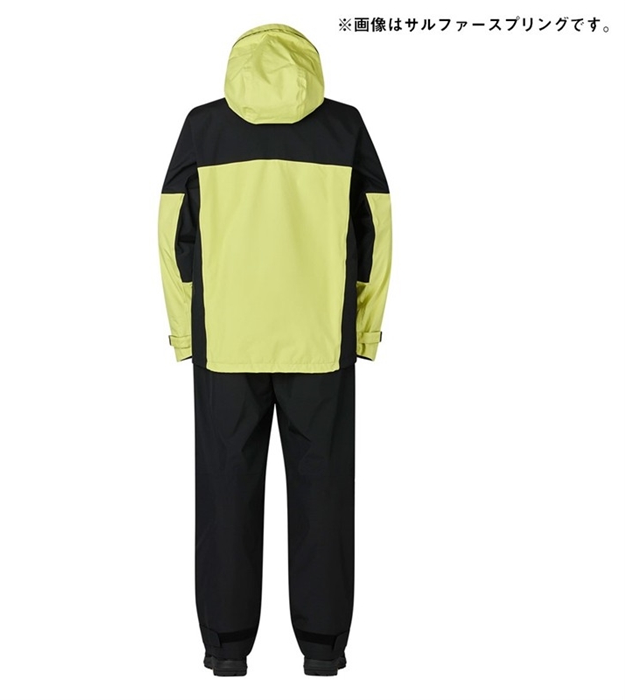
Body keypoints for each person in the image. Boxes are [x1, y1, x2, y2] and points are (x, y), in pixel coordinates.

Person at [157, 22, 392, 676]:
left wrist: (185, 330)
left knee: (224, 494)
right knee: (324, 495)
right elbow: (376, 230)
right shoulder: (343, 127)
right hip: (319, 338)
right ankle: (323, 650)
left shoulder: (204, 128)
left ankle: (226, 649)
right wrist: (364, 328)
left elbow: (174, 236)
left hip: (227, 340)